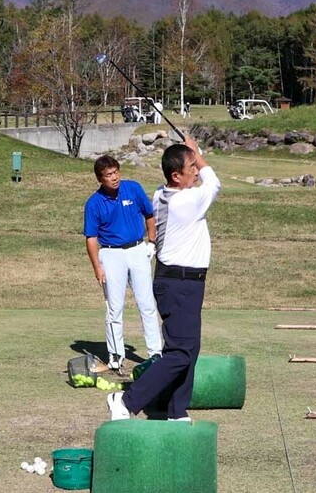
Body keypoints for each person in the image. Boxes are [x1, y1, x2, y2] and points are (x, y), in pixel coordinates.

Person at [107, 136, 220, 421]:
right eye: (191, 167)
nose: (196, 170)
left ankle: (175, 409)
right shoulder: (186, 201)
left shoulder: (161, 193)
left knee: (189, 348)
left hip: (181, 282)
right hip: (180, 282)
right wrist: (196, 150)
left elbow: (196, 177)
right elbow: (214, 181)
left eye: (195, 165)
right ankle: (126, 400)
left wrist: (189, 153)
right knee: (180, 352)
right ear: (175, 175)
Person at [84, 155, 162, 374]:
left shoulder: (133, 189)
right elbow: (91, 238)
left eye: (116, 172)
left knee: (146, 303)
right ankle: (116, 355)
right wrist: (97, 268)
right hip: (111, 255)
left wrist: (152, 242)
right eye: (109, 175)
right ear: (100, 179)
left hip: (138, 249)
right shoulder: (94, 203)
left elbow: (149, 215)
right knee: (114, 307)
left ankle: (155, 352)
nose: (114, 177)